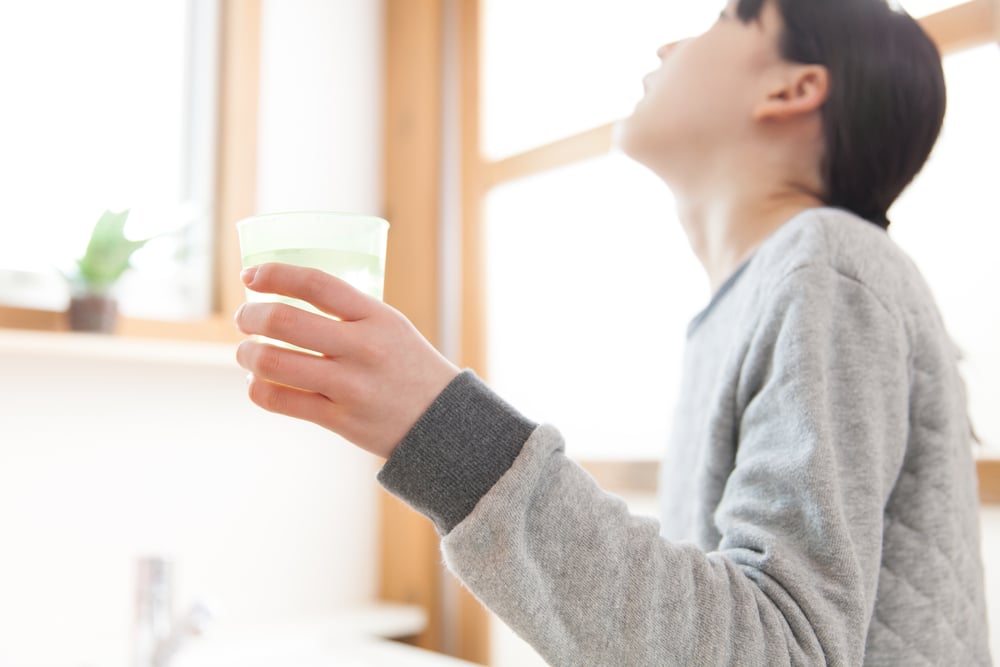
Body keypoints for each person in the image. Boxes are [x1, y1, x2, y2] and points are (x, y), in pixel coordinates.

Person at [233, 0, 992, 664]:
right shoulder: (754, 301)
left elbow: (781, 649)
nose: (667, 49)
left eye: (726, 16)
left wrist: (442, 430)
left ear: (793, 87)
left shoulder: (827, 261)